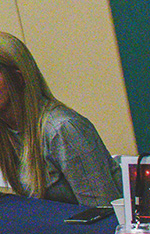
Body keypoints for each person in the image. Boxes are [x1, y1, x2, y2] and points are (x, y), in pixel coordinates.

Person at [0, 32, 121, 207]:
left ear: (18, 79)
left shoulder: (62, 128)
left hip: (92, 231)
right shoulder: (6, 130)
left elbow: (103, 212)